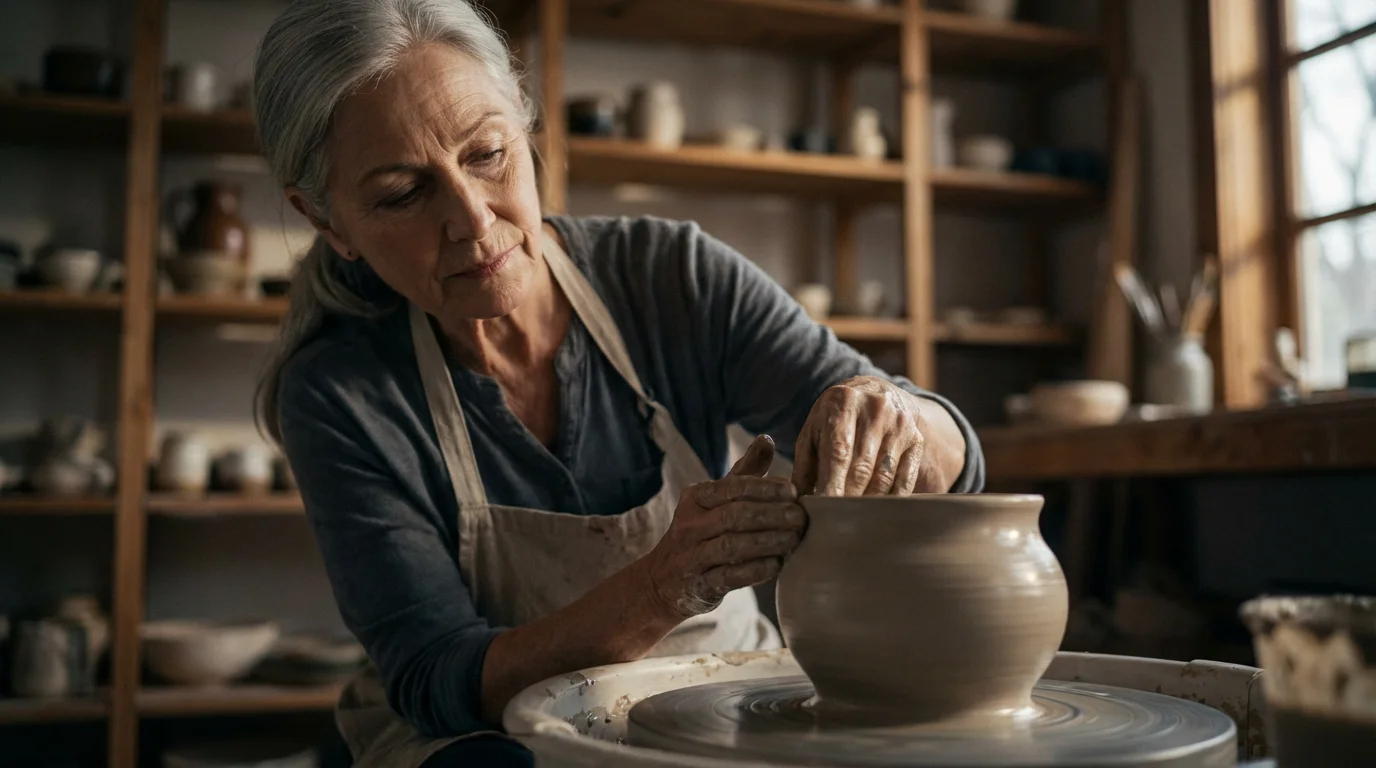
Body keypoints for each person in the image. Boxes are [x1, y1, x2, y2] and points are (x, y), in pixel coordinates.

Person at [251, 1, 984, 765]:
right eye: (404, 193)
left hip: (724, 689)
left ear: (526, 129)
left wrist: (896, 416)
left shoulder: (672, 277)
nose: (472, 219)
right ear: (328, 222)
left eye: (487, 155)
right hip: (491, 732)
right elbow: (438, 677)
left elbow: (957, 467)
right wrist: (663, 586)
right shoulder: (340, 392)